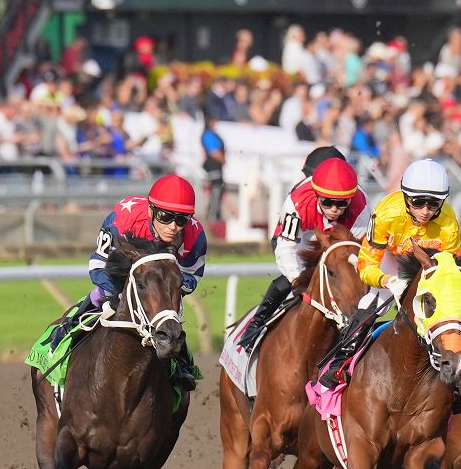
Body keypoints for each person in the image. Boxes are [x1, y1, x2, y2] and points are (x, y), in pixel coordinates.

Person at [43, 175, 208, 389]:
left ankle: (182, 363)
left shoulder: (195, 236)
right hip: (122, 275)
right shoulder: (124, 217)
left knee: (168, 314)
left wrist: (162, 289)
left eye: (182, 219)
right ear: (151, 211)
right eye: (165, 216)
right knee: (103, 297)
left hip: (160, 288)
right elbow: (99, 264)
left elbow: (190, 279)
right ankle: (67, 330)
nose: (174, 226)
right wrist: (123, 296)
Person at [316, 158, 461, 390]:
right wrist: (387, 281)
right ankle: (342, 361)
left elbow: (450, 273)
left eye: (434, 204)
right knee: (374, 301)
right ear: (405, 196)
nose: (425, 211)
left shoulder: (448, 223)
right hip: (391, 259)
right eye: (418, 202)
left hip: (428, 265)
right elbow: (366, 265)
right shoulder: (385, 213)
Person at [233, 151, 367, 357]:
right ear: (316, 194)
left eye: (342, 203)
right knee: (290, 282)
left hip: (339, 245)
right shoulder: (298, 202)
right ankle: (255, 328)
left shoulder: (361, 205)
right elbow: (286, 249)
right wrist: (298, 279)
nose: (334, 209)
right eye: (328, 202)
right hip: (298, 242)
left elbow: (358, 252)